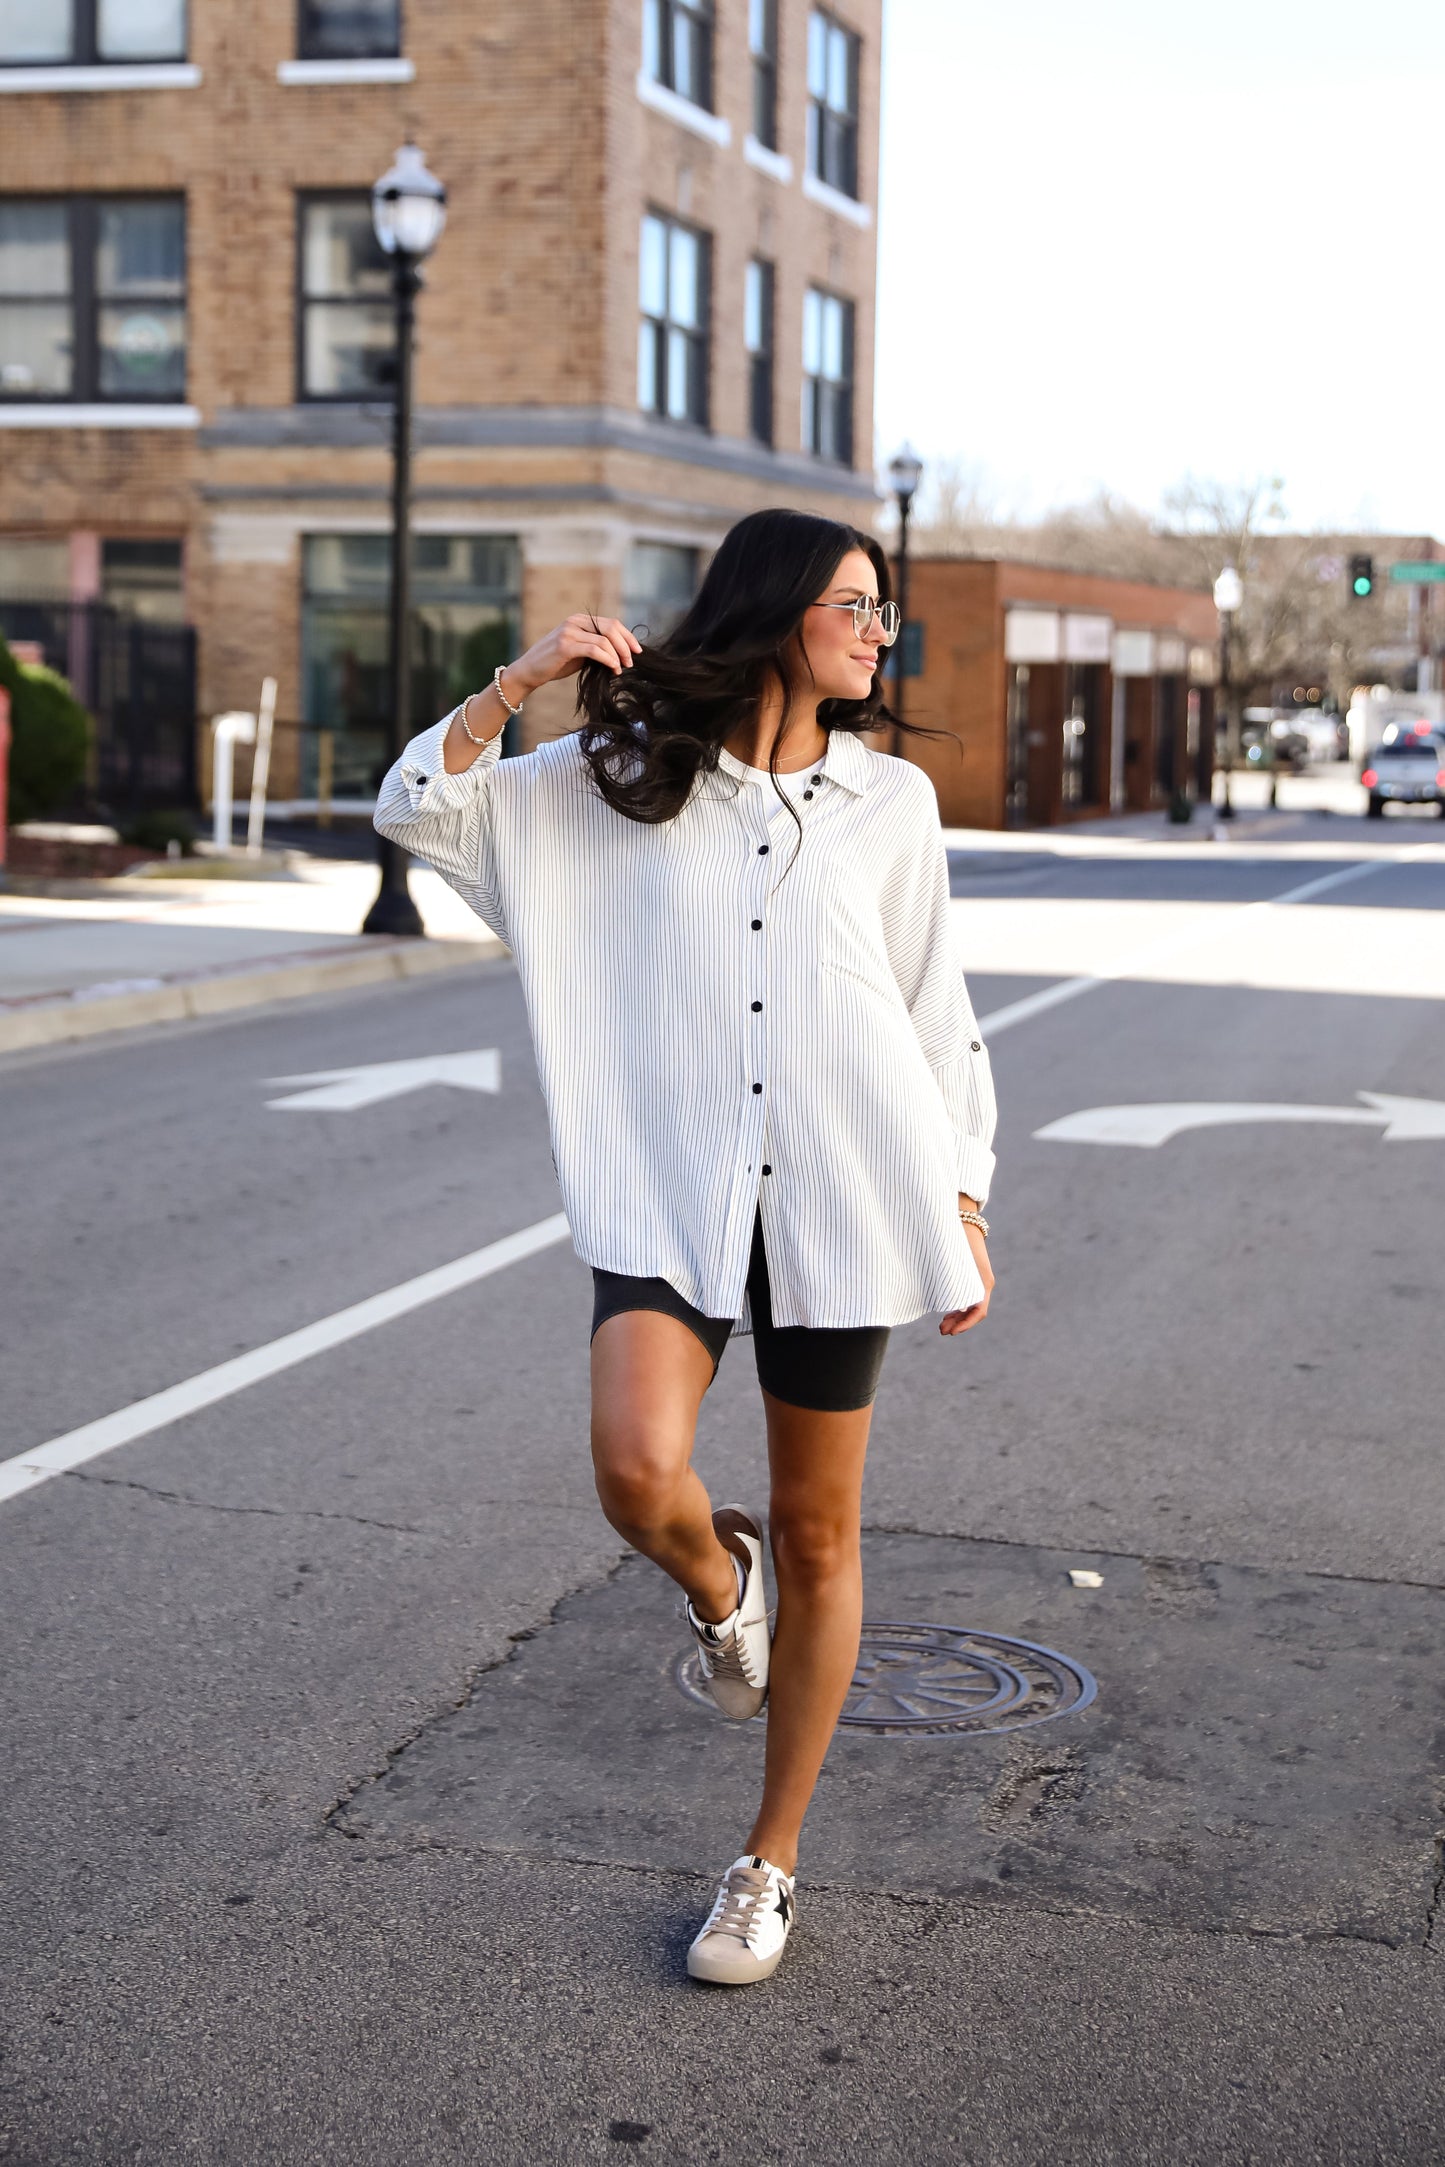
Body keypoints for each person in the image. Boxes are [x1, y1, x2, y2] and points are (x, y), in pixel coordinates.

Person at [374, 507, 997, 1986]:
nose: (875, 629)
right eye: (854, 602)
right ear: (779, 607)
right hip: (673, 1188)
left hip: (840, 1194)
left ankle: (765, 1863)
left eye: (885, 610)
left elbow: (928, 1005)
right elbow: (418, 811)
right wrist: (514, 684)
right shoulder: (617, 784)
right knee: (638, 1469)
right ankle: (723, 1598)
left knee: (822, 1530)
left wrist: (961, 1192)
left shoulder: (891, 802)